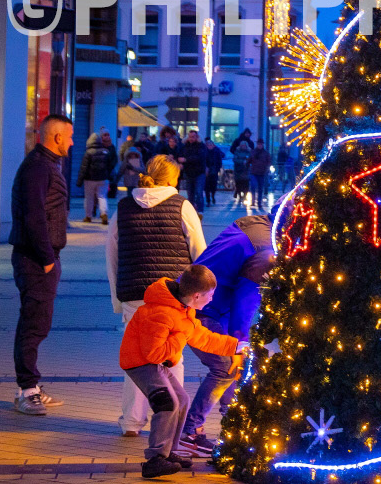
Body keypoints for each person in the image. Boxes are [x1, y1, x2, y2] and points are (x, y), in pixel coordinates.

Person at [107, 154, 206, 436]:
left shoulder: (123, 207)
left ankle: (131, 421)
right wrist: (199, 297)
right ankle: (172, 420)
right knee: (172, 356)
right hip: (171, 297)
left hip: (134, 294)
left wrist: (117, 298)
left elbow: (112, 254)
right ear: (173, 178)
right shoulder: (182, 206)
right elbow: (199, 252)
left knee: (137, 357)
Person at [119, 265, 245, 478]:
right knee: (167, 403)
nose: (212, 299)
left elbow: (203, 337)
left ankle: (169, 452)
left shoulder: (183, 309)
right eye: (210, 295)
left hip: (156, 362)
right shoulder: (161, 313)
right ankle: (155, 459)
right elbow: (153, 354)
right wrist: (180, 336)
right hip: (139, 363)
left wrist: (235, 346)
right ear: (196, 296)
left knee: (182, 400)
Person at [177, 215, 273, 457]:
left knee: (233, 366)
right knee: (225, 367)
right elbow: (246, 298)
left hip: (211, 307)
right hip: (201, 308)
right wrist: (239, 341)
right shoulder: (266, 249)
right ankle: (189, 433)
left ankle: (234, 427)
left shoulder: (257, 225)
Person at [9, 113, 74, 415]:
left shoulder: (45, 165)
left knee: (37, 324)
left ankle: (31, 386)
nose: (71, 143)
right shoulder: (38, 167)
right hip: (35, 260)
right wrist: (47, 259)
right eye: (69, 137)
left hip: (42, 258)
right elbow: (34, 215)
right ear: (57, 137)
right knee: (33, 325)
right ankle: (27, 390)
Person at [77, 130, 117, 224]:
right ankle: (104, 213)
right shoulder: (106, 152)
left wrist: (80, 180)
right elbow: (110, 165)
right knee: (102, 196)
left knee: (89, 198)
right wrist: (108, 175)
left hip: (89, 179)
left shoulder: (88, 153)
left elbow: (84, 167)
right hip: (103, 179)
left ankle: (88, 216)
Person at [177, 130, 207, 218]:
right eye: (190, 136)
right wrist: (180, 161)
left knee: (199, 192)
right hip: (188, 172)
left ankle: (200, 211)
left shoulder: (201, 146)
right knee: (190, 194)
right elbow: (180, 155)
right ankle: (191, 210)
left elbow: (200, 157)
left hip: (199, 172)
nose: (191, 138)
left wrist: (186, 160)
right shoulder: (184, 146)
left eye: (193, 137)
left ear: (197, 137)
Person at [249, 140, 272, 210]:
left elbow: (269, 162)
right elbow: (249, 160)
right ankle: (253, 201)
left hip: (262, 172)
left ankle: (259, 202)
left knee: (260, 188)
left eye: (261, 144)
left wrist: (267, 169)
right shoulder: (253, 152)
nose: (260, 145)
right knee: (253, 186)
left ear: (262, 145)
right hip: (254, 172)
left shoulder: (265, 153)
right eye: (259, 144)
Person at [231, 137, 252, 207]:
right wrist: (242, 161)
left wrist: (247, 163)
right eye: (242, 145)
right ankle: (240, 196)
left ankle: (244, 196)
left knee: (246, 185)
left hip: (246, 171)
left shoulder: (249, 152)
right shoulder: (237, 151)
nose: (243, 147)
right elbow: (235, 159)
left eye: (244, 145)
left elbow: (251, 159)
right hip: (238, 170)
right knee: (239, 185)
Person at [203, 139, 224, 208]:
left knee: (213, 186)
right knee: (207, 187)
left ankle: (213, 195)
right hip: (206, 171)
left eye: (210, 145)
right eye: (208, 145)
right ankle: (208, 200)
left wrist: (217, 169)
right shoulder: (204, 152)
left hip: (214, 171)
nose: (209, 146)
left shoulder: (216, 152)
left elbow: (219, 161)